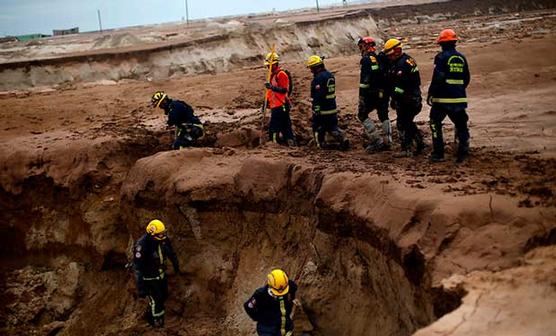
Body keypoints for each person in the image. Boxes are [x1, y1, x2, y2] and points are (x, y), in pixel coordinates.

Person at [427, 29, 471, 163]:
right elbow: (467, 78)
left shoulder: (441, 57)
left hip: (442, 99)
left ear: (441, 44)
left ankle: (438, 154)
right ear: (454, 42)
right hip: (459, 98)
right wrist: (458, 89)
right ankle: (463, 153)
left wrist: (431, 93)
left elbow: (438, 77)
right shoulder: (461, 57)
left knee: (435, 123)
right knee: (461, 125)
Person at [133, 219, 180, 328]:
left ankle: (151, 314)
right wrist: (141, 288)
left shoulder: (162, 239)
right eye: (160, 234)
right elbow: (138, 267)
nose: (162, 236)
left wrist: (176, 265)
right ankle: (156, 323)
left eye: (163, 233)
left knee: (163, 295)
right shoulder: (142, 245)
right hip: (149, 278)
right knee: (156, 299)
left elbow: (170, 252)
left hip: (161, 275)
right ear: (151, 233)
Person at [383, 38, 425, 157]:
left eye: (390, 55)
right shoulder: (407, 60)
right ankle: (419, 142)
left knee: (403, 123)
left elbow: (400, 86)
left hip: (408, 100)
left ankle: (407, 148)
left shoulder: (402, 65)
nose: (389, 58)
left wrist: (394, 97)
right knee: (408, 122)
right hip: (412, 97)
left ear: (397, 51)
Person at [356, 37, 391, 152]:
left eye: (361, 46)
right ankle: (387, 141)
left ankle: (377, 141)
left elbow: (365, 80)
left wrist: (361, 96)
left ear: (366, 46)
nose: (361, 49)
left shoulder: (366, 60)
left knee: (362, 114)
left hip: (371, 93)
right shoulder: (380, 58)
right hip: (383, 92)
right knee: (383, 115)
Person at [307, 55, 349, 150]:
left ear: (315, 67)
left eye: (311, 68)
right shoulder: (330, 75)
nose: (311, 71)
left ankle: (319, 145)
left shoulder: (318, 79)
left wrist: (316, 108)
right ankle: (342, 137)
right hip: (332, 107)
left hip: (323, 109)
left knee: (318, 127)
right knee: (332, 127)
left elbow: (318, 96)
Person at [244, 269, 298, 336]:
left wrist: (292, 300)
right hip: (267, 329)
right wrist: (260, 318)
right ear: (270, 286)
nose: (281, 293)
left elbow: (294, 289)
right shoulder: (261, 294)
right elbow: (248, 306)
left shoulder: (286, 285)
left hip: (285, 326)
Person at [264, 52, 296, 146]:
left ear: (275, 64)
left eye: (270, 65)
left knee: (275, 128)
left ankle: (274, 144)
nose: (268, 67)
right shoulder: (272, 75)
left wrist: (272, 87)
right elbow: (270, 93)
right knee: (285, 126)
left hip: (281, 105)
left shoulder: (281, 74)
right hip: (275, 105)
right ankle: (289, 143)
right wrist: (266, 103)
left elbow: (284, 90)